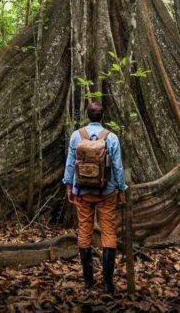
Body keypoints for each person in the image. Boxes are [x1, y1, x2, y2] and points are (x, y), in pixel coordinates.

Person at [62, 101, 127, 294]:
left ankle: (88, 281)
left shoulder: (76, 136)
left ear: (87, 115)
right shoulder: (111, 137)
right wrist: (121, 188)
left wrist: (69, 186)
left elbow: (70, 164)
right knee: (108, 232)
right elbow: (117, 167)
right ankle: (107, 284)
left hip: (82, 192)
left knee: (84, 232)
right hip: (107, 192)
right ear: (102, 116)